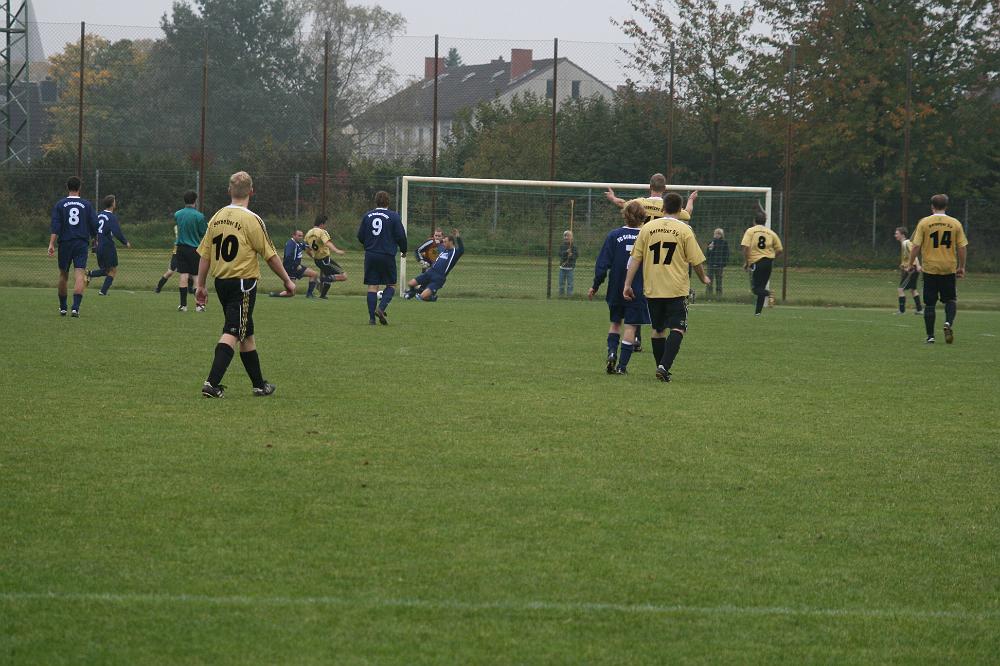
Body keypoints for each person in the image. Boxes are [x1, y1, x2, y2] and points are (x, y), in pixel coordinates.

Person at [196, 171, 295, 398]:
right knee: (233, 330)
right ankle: (211, 384)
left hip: (221, 282)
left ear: (229, 190)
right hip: (243, 285)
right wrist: (287, 280)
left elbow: (205, 254)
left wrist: (200, 285)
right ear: (251, 191)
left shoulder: (217, 216)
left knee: (246, 332)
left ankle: (259, 385)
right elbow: (270, 255)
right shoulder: (252, 219)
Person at [623, 193, 710, 382]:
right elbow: (695, 260)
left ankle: (660, 367)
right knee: (678, 328)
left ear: (663, 209)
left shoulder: (647, 228)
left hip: (653, 287)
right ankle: (664, 366)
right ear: (680, 210)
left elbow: (635, 259)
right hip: (676, 288)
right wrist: (703, 277)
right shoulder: (685, 230)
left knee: (658, 329)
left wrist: (627, 284)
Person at [607, 174, 698, 348]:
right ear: (665, 189)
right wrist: (691, 200)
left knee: (634, 292)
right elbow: (687, 214)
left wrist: (612, 197)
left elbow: (623, 204)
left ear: (649, 187)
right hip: (657, 254)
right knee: (651, 294)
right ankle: (657, 328)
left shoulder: (640, 202)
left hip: (638, 251)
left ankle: (636, 336)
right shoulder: (666, 206)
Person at [588, 201, 650, 375]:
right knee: (630, 327)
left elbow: (602, 265)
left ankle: (612, 353)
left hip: (616, 287)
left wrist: (595, 285)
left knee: (615, 323)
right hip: (638, 288)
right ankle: (622, 366)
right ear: (643, 217)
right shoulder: (647, 236)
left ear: (625, 215)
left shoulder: (614, 235)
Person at [908, 194, 968, 344]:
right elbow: (962, 247)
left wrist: (910, 263)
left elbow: (915, 246)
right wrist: (961, 267)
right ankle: (948, 323)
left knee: (930, 304)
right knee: (950, 299)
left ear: (932, 206)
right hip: (948, 267)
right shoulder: (955, 223)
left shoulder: (924, 222)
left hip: (930, 268)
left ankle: (930, 337)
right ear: (946, 206)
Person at [47, 176, 98, 317]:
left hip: (65, 243)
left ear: (67, 187)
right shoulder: (86, 205)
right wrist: (95, 238)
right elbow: (94, 224)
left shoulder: (60, 204)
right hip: (81, 243)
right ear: (79, 188)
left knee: (63, 275)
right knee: (80, 274)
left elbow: (56, 226)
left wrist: (51, 243)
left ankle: (63, 307)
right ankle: (75, 308)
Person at [357, 191, 407, 325]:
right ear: (388, 202)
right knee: (391, 284)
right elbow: (401, 236)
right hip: (387, 255)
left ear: (375, 201)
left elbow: (360, 236)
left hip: (371, 254)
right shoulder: (393, 216)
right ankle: (381, 308)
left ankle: (372, 319)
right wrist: (403, 250)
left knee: (372, 286)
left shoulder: (367, 216)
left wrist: (369, 244)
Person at [85, 195, 131, 296]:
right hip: (108, 246)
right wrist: (125, 242)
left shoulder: (99, 215)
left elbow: (92, 228)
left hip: (99, 246)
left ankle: (91, 275)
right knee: (112, 270)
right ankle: (100, 288)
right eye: (115, 201)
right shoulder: (111, 217)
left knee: (107, 270)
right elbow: (117, 231)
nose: (115, 203)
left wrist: (94, 241)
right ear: (112, 204)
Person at [740, 208, 783, 316]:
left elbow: (745, 247)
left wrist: (747, 262)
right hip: (768, 263)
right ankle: (758, 313)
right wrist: (772, 258)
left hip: (756, 262)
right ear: (765, 221)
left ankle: (769, 293)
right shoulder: (771, 233)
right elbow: (779, 249)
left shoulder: (750, 231)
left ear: (754, 221)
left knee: (755, 289)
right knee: (761, 287)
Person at [403, 229, 464, 301]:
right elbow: (438, 242)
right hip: (430, 272)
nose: (443, 243)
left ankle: (431, 298)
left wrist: (457, 236)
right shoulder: (443, 250)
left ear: (451, 242)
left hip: (439, 277)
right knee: (411, 284)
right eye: (443, 242)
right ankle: (413, 293)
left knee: (422, 297)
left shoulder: (455, 253)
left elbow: (462, 249)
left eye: (445, 242)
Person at [174, 190, 207, 312]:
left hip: (181, 248)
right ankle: (199, 305)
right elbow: (203, 232)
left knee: (183, 275)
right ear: (195, 201)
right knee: (196, 277)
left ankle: (183, 305)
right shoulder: (199, 216)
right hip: (194, 249)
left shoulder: (177, 214)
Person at [304, 214, 347, 299]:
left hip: (317, 260)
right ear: (321, 224)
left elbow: (307, 249)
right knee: (343, 276)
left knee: (329, 275)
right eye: (325, 224)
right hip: (325, 260)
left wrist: (313, 256)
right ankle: (321, 280)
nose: (325, 226)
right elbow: (327, 243)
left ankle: (323, 295)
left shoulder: (308, 234)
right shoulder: (321, 232)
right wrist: (337, 250)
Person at [269, 230, 318, 298]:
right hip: (290, 269)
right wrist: (296, 265)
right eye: (299, 236)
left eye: (302, 236)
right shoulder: (291, 244)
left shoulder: (299, 243)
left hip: (297, 267)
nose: (301, 237)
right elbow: (288, 257)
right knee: (291, 293)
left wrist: (313, 247)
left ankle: (309, 294)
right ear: (294, 236)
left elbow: (306, 246)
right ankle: (275, 294)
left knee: (314, 274)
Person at [894, 227, 923, 315]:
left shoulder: (906, 243)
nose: (895, 235)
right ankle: (919, 310)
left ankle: (902, 311)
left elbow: (914, 254)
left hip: (911, 270)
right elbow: (908, 257)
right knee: (913, 289)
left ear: (902, 235)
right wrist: (903, 264)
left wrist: (918, 265)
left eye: (897, 233)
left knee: (900, 289)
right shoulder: (904, 243)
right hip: (912, 268)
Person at [704, 228, 729, 298]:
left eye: (719, 234)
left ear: (721, 235)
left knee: (719, 280)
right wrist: (710, 249)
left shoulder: (724, 243)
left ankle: (719, 295)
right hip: (711, 264)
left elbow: (726, 254)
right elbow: (707, 254)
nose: (717, 235)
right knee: (709, 280)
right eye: (716, 233)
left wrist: (724, 263)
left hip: (720, 264)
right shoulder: (711, 242)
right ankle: (708, 294)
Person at [558, 230, 579, 297]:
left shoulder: (574, 247)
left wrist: (571, 255)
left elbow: (576, 256)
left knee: (570, 283)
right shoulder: (562, 246)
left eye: (568, 236)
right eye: (565, 236)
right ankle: (561, 295)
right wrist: (566, 252)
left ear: (571, 237)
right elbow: (560, 254)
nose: (566, 237)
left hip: (570, 268)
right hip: (562, 267)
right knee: (561, 283)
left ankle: (569, 295)